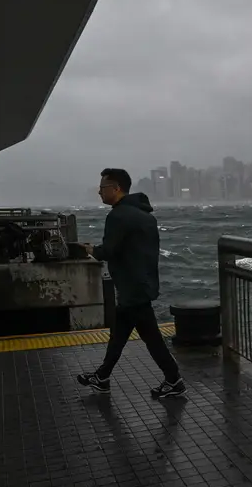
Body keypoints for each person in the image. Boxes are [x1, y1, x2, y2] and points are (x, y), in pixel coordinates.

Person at [77, 168, 186, 398]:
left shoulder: (118, 215)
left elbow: (108, 251)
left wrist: (89, 250)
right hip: (141, 284)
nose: (99, 191)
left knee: (152, 338)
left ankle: (174, 379)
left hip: (132, 289)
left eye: (103, 187)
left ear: (116, 189)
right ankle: (102, 376)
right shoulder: (145, 215)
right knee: (119, 334)